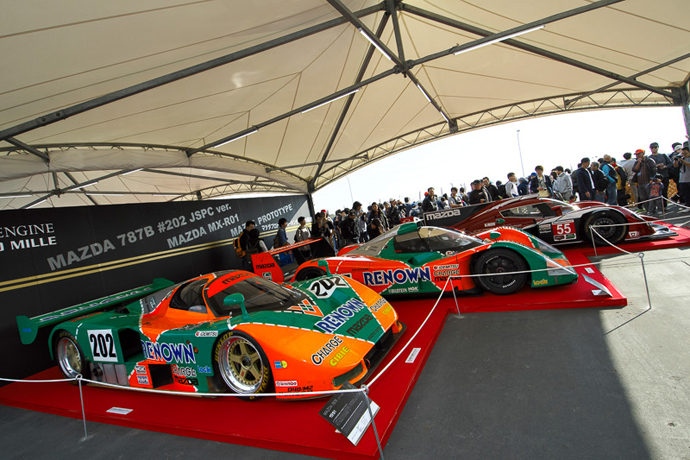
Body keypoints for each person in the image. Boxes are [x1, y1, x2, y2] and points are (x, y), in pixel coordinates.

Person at [632, 148, 657, 213]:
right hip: (640, 182)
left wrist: (652, 179)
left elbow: (654, 170)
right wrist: (639, 162)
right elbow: (634, 170)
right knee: (643, 197)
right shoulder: (637, 162)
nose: (637, 156)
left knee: (650, 197)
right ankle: (647, 210)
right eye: (636, 154)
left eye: (639, 154)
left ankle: (652, 210)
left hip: (648, 181)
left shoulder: (649, 161)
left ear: (643, 153)